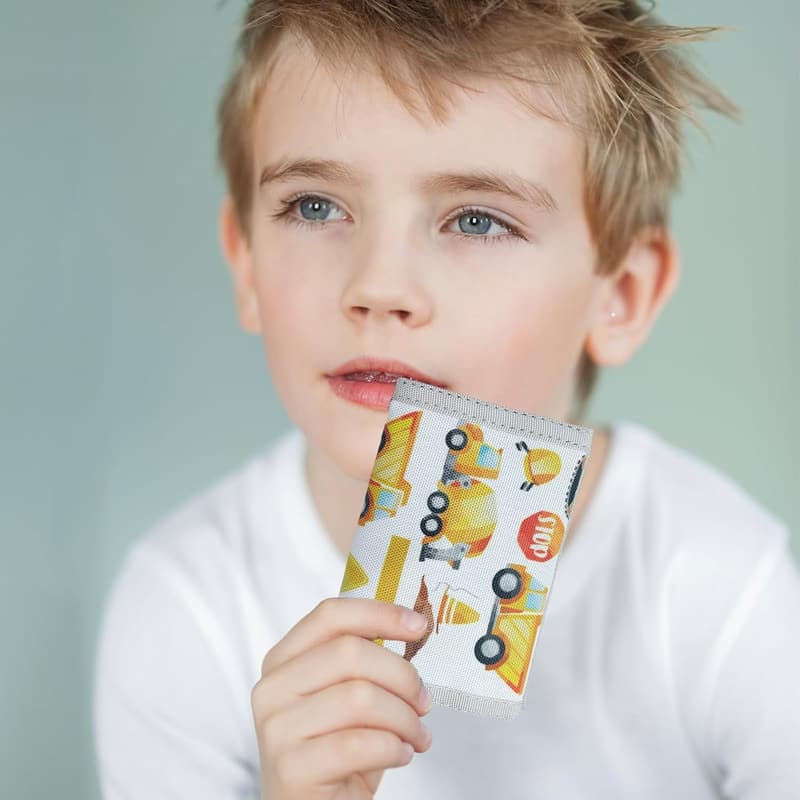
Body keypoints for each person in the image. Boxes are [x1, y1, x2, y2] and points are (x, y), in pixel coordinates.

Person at [92, 2, 800, 798]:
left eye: (477, 220)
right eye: (315, 206)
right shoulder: (188, 607)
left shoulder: (716, 587)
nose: (378, 286)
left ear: (623, 294)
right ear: (247, 263)